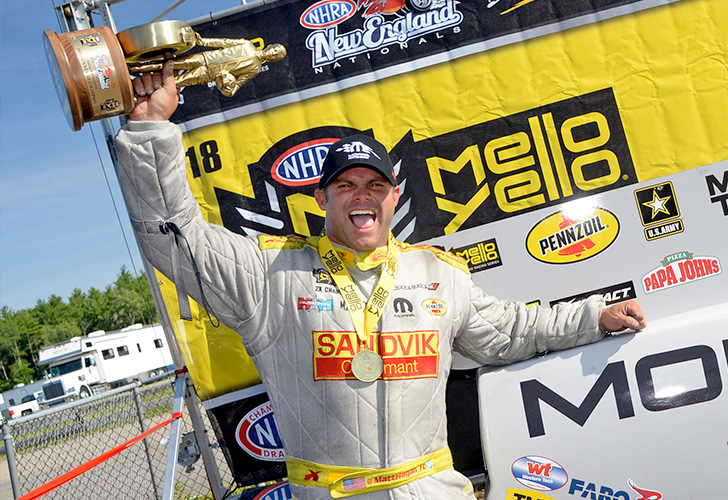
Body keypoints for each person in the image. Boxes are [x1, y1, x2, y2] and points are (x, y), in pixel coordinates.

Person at [114, 60, 646, 499]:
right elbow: (173, 233)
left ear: (394, 197)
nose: (361, 194)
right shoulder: (270, 274)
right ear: (321, 199)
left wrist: (592, 316)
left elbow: (510, 331)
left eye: (375, 183)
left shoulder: (436, 274)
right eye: (344, 185)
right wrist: (149, 131)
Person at [128, 32, 286, 97]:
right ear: (270, 46)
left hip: (207, 74)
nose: (273, 53)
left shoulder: (255, 69)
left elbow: (234, 89)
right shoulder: (247, 46)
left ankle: (136, 93)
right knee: (167, 64)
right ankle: (133, 68)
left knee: (172, 83)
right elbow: (224, 43)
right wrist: (203, 41)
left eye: (276, 56)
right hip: (206, 58)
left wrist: (228, 84)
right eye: (275, 50)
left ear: (274, 60)